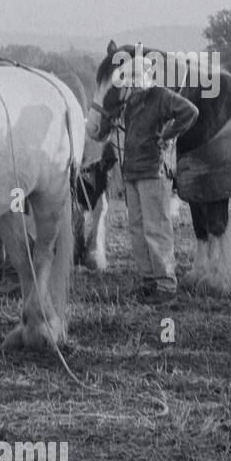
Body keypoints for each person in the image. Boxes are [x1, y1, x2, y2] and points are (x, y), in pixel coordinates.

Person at [90, 57, 198, 303]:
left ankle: (166, 284)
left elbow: (190, 112)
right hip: (132, 173)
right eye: (130, 79)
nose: (133, 83)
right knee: (137, 229)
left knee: (156, 228)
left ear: (147, 77)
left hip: (153, 171)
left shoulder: (161, 95)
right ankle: (149, 280)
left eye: (136, 78)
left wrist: (168, 133)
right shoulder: (131, 103)